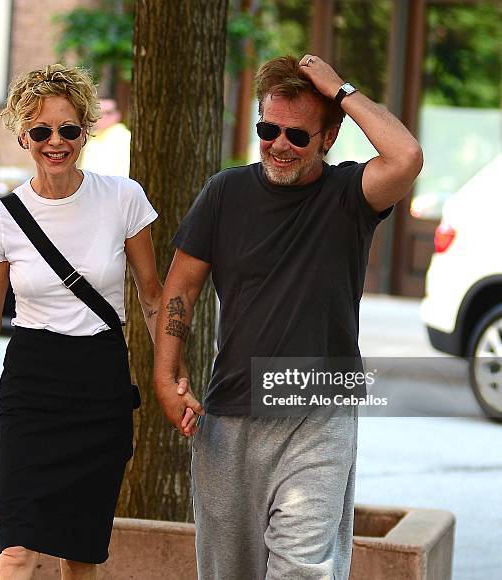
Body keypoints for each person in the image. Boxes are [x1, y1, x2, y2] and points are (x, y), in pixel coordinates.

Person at [153, 54, 423, 580]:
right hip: (229, 415)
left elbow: (406, 155)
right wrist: (167, 373)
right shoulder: (224, 193)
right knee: (228, 571)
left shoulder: (351, 194)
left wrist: (340, 89)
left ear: (328, 137)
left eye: (297, 135)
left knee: (302, 570)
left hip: (318, 412)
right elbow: (181, 287)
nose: (279, 144)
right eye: (267, 128)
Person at [0, 64, 161, 580]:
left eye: (69, 129)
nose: (56, 142)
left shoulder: (123, 199)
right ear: (23, 135)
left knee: (79, 555)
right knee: (17, 549)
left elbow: (153, 300)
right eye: (41, 131)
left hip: (99, 387)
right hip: (32, 387)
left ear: (86, 129)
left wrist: (173, 380)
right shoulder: (1, 217)